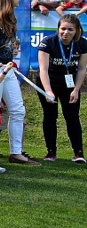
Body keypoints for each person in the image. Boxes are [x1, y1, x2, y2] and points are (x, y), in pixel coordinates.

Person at [0, 0, 39, 166]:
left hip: (9, 69)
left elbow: (9, 45)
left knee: (18, 109)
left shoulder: (11, 19)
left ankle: (16, 152)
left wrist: (13, 50)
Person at [37, 14, 86, 163]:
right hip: (48, 82)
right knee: (50, 116)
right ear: (58, 28)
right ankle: (51, 152)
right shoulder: (48, 42)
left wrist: (76, 90)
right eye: (62, 29)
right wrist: (48, 91)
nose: (66, 32)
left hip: (69, 84)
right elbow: (43, 69)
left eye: (70, 29)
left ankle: (78, 153)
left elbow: (82, 69)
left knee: (72, 117)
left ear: (76, 30)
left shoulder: (82, 43)